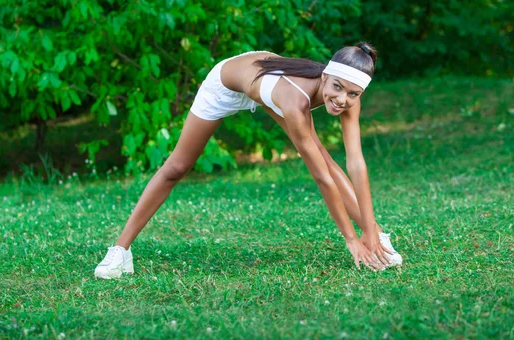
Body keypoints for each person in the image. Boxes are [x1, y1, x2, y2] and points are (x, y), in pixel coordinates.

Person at [94, 43, 403, 279]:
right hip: (230, 82)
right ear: (325, 76)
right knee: (177, 167)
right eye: (336, 88)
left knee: (326, 157)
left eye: (353, 93)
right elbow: (320, 178)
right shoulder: (295, 102)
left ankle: (377, 238)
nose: (342, 100)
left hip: (267, 85)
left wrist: (370, 231)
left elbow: (356, 163)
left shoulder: (349, 95)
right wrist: (350, 239)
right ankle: (120, 252)